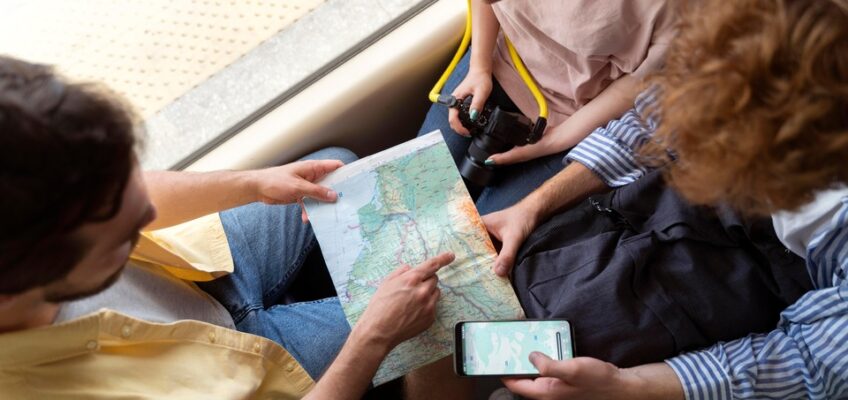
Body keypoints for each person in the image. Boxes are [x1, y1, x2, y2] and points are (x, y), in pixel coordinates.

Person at [0, 55, 455, 399]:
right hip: (247, 375)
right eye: (121, 240)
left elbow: (138, 197)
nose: (145, 213)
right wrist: (373, 339)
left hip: (197, 272)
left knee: (340, 171)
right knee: (442, 312)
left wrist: (253, 184)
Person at [483, 0, 848, 398]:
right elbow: (650, 121)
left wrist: (626, 387)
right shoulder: (765, 36)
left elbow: (814, 357)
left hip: (784, 282)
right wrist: (531, 207)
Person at [418, 0, 676, 214]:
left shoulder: (683, 11)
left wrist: (549, 143)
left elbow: (633, 88)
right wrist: (479, 67)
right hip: (495, 64)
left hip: (571, 120)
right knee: (420, 200)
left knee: (484, 230)